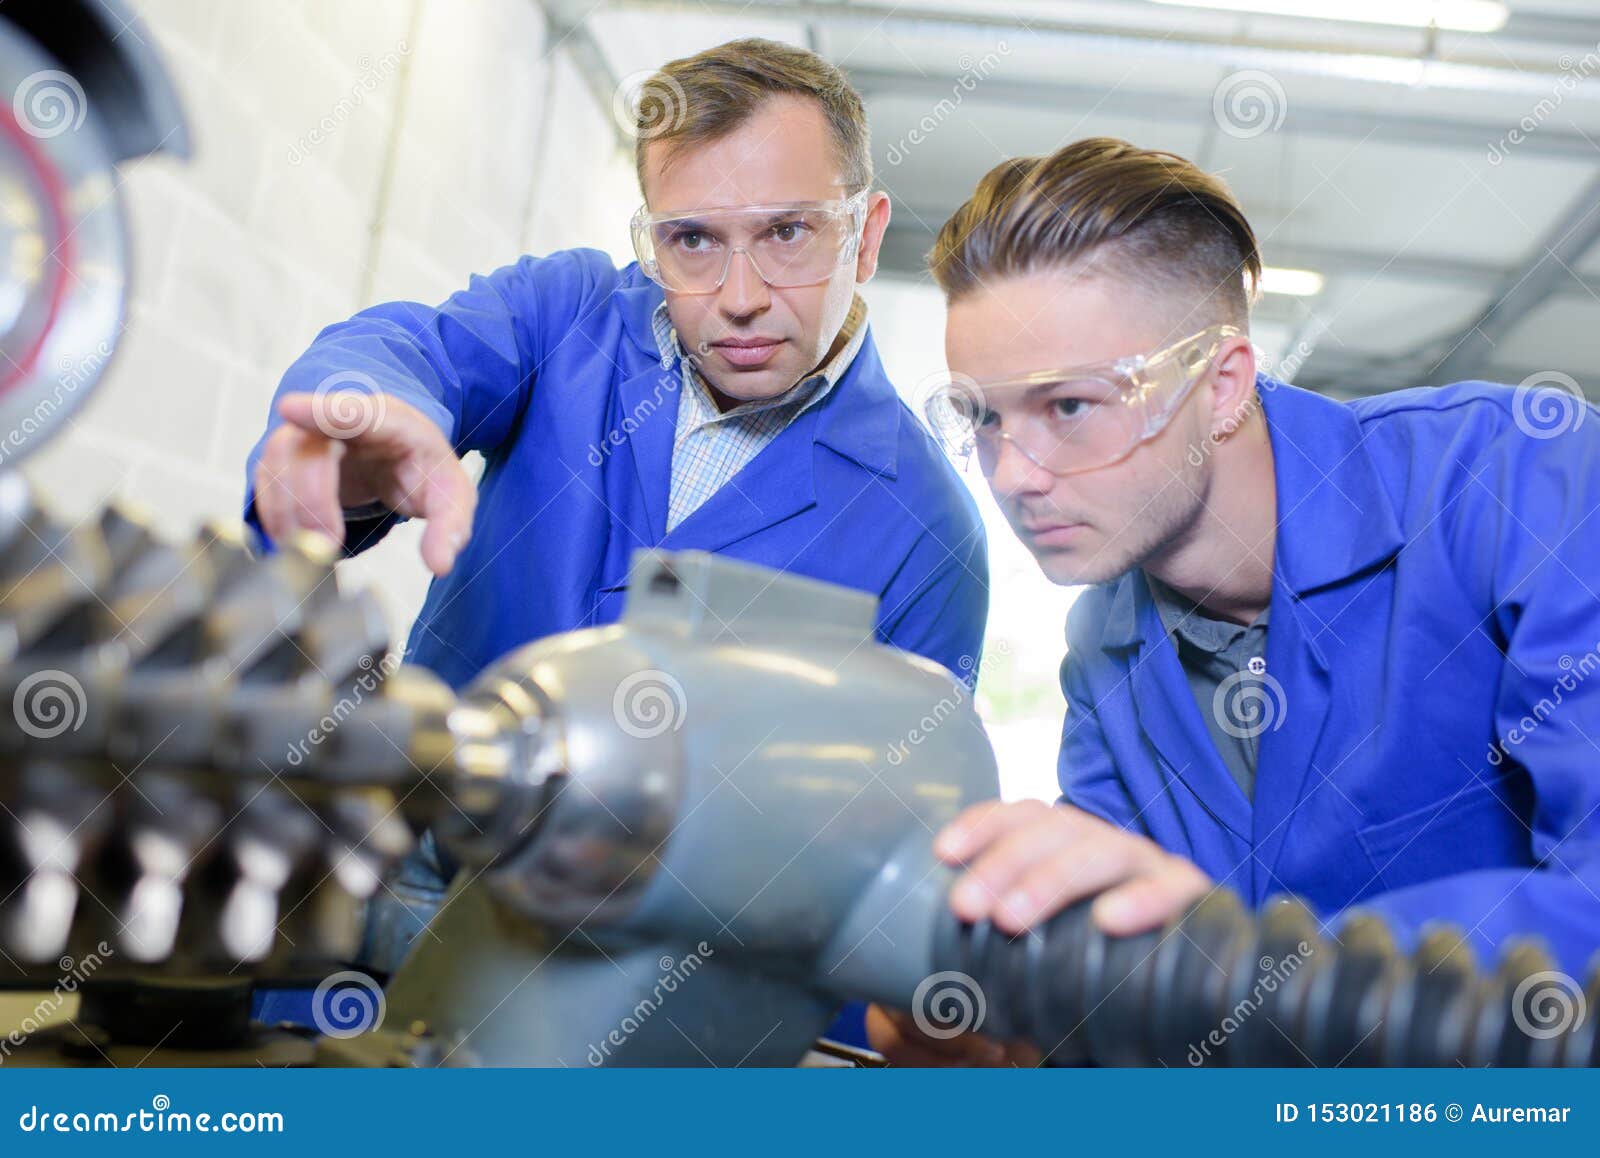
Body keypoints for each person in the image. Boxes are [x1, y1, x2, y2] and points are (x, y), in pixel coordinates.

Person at [241, 40, 988, 1044]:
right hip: (358, 959)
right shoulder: (570, 319)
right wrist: (362, 411)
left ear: (864, 233)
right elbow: (413, 348)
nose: (738, 294)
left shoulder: (923, 532)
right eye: (690, 240)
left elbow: (873, 877)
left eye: (786, 234)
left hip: (634, 1041)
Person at [870, 136, 1600, 1063]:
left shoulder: (1520, 482)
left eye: (1068, 407)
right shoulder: (1106, 648)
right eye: (982, 415)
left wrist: (1246, 973)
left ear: (1221, 385)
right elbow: (1124, 984)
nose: (1012, 475)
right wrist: (1020, 1031)